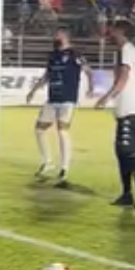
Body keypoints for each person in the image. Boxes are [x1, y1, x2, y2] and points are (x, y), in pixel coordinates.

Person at [26, 26, 94, 187]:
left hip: (67, 98)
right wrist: (34, 90)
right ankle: (47, 162)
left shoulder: (75, 54)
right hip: (52, 98)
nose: (55, 37)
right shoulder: (53, 55)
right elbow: (47, 75)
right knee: (39, 129)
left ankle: (64, 168)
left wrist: (91, 88)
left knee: (62, 130)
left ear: (65, 36)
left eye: (57, 34)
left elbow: (88, 71)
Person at [95, 20, 135, 208]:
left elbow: (124, 77)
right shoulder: (125, 51)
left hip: (132, 110)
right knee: (122, 152)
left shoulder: (127, 50)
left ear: (120, 31)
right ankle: (127, 194)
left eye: (112, 30)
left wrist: (107, 97)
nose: (109, 34)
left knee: (129, 152)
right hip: (127, 110)